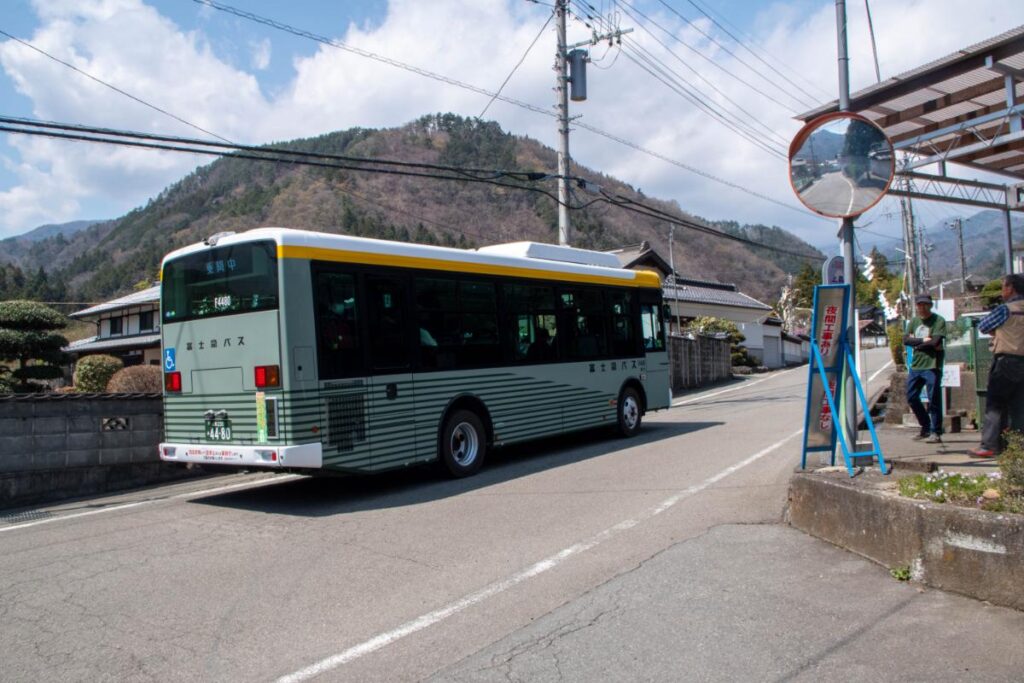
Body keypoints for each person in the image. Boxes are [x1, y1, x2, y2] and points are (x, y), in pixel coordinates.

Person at [970, 274, 1024, 458]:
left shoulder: (1005, 309)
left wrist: (1000, 331)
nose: (1002, 291)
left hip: (1005, 361)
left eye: (1003, 287)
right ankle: (1017, 447)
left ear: (1010, 288)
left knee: (995, 404)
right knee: (1019, 406)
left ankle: (990, 445)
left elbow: (984, 326)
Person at [903, 294, 946, 444]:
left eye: (925, 304)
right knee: (911, 396)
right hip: (916, 365)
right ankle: (925, 426)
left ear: (930, 305)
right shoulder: (914, 321)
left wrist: (917, 344)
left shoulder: (938, 320)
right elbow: (906, 340)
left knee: (934, 398)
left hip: (932, 365)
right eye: (920, 305)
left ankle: (936, 431)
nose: (922, 307)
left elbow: (935, 341)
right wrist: (922, 340)